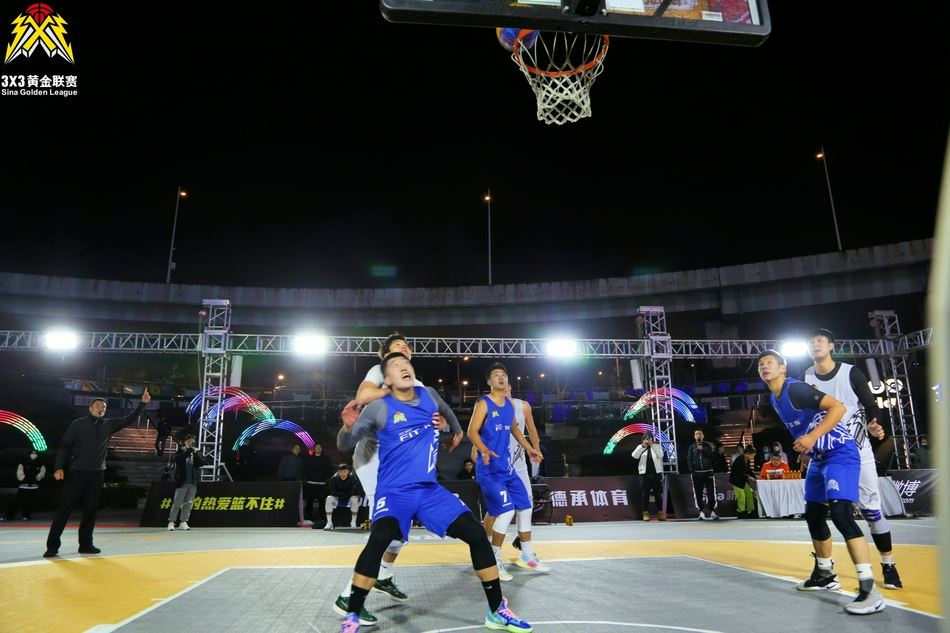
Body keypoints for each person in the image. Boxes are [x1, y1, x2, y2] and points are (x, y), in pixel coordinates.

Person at [337, 352, 532, 633]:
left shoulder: (428, 395)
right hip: (395, 492)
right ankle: (352, 615)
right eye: (395, 366)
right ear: (387, 380)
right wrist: (347, 427)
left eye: (406, 363)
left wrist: (455, 430)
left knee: (477, 534)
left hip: (429, 491)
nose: (404, 367)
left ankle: (497, 612)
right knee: (380, 537)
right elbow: (345, 444)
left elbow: (447, 412)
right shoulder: (378, 408)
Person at [332, 332, 464, 625]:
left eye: (406, 347)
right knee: (387, 526)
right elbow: (363, 397)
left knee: (401, 531)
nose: (404, 349)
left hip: (402, 463)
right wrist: (394, 391)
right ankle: (347, 596)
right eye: (396, 347)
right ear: (384, 358)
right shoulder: (379, 372)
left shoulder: (417, 385)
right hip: (374, 459)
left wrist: (445, 424)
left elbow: (437, 415)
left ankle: (383, 574)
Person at [757, 349, 884, 614]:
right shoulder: (774, 397)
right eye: (761, 364)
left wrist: (812, 437)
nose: (764, 367)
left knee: (841, 514)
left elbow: (838, 407)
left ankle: (870, 590)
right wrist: (808, 448)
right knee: (814, 514)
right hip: (818, 457)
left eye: (770, 363)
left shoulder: (795, 389)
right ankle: (824, 574)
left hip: (839, 452)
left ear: (783, 368)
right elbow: (804, 424)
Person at [804, 328, 903, 590]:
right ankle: (824, 570)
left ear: (831, 346)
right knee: (817, 511)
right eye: (811, 342)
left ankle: (888, 564)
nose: (815, 344)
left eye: (820, 341)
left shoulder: (850, 373)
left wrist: (874, 424)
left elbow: (871, 405)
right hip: (826, 453)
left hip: (856, 449)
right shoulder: (806, 375)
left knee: (871, 511)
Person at [44, 389, 150, 557]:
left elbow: (129, 419)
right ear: (90, 408)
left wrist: (142, 404)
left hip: (97, 473)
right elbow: (64, 446)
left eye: (104, 407)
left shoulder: (109, 424)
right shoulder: (78, 424)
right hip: (77, 471)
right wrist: (58, 467)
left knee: (91, 509)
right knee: (65, 508)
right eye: (98, 405)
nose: (101, 408)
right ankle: (52, 546)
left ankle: (86, 544)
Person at [468, 366, 545, 581]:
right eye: (496, 375)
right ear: (489, 382)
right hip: (489, 470)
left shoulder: (510, 406)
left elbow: (515, 430)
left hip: (507, 468)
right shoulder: (484, 403)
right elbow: (472, 431)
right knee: (506, 511)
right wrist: (482, 450)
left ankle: (526, 554)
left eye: (504, 375)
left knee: (525, 506)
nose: (501, 378)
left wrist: (530, 449)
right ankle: (493, 559)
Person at [167, 434, 203, 531]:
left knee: (188, 503)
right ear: (185, 442)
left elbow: (202, 463)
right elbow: (178, 460)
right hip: (182, 482)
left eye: (192, 442)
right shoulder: (180, 450)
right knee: (177, 503)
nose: (191, 443)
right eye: (189, 441)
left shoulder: (196, 451)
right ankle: (171, 522)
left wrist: (195, 453)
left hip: (193, 482)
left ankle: (183, 522)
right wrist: (188, 451)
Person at [3, 449, 46, 521]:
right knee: (17, 501)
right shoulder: (23, 463)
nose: (34, 455)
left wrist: (36, 479)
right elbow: (19, 472)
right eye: (32, 453)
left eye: (35, 454)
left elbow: (42, 473)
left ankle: (26, 516)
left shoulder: (40, 464)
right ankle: (9, 516)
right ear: (29, 454)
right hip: (23, 485)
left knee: (29, 502)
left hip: (34, 486)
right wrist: (24, 479)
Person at [632, 432, 665, 521]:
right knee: (645, 494)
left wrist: (652, 445)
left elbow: (661, 455)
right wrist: (643, 446)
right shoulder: (640, 447)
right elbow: (634, 456)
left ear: (652, 439)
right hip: (644, 474)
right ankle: (645, 513)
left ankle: (660, 512)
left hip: (656, 473)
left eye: (649, 438)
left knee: (658, 493)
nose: (647, 440)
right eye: (645, 439)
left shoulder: (657, 446)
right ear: (643, 440)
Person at [686, 429, 718, 520]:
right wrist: (692, 470)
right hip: (697, 473)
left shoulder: (708, 445)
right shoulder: (692, 447)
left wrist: (703, 449)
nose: (698, 435)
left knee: (711, 493)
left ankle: (712, 511)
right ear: (694, 436)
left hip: (708, 472)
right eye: (696, 434)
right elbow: (689, 459)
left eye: (700, 434)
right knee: (698, 493)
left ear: (703, 436)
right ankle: (701, 512)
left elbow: (712, 457)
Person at [324, 463, 361, 530]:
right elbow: (332, 490)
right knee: (329, 498)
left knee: (354, 499)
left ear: (348, 471)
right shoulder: (334, 478)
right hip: (338, 498)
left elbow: (354, 490)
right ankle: (329, 523)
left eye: (345, 471)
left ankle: (353, 522)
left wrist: (347, 495)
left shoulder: (353, 478)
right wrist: (339, 495)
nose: (343, 474)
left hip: (349, 498)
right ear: (338, 471)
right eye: (341, 471)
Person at [305, 442, 333, 523]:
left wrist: (326, 479)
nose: (318, 448)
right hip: (311, 482)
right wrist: (306, 479)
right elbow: (306, 469)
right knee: (309, 501)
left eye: (319, 447)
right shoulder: (309, 458)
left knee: (321, 501)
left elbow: (329, 469)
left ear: (322, 448)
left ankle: (322, 518)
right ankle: (308, 518)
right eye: (316, 447)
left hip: (321, 483)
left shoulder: (326, 458)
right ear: (314, 449)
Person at [730, 445, 758, 518]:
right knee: (741, 496)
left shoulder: (747, 460)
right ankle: (741, 512)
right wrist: (749, 477)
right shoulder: (739, 460)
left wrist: (755, 476)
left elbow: (749, 470)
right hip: (736, 481)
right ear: (747, 453)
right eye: (752, 455)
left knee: (749, 494)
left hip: (743, 480)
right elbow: (740, 472)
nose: (753, 457)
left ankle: (751, 510)